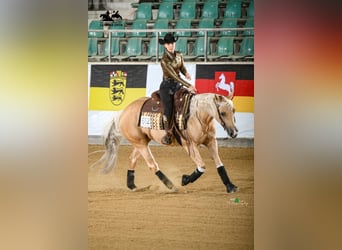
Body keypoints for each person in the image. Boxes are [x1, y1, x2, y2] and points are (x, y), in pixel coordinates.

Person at [158, 33, 197, 145]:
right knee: (169, 109)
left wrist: (186, 73)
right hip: (167, 87)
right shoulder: (164, 60)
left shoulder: (179, 54)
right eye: (169, 44)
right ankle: (168, 133)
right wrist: (188, 85)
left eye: (172, 43)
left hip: (177, 85)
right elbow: (174, 76)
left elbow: (182, 67)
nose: (171, 45)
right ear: (165, 45)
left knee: (188, 100)